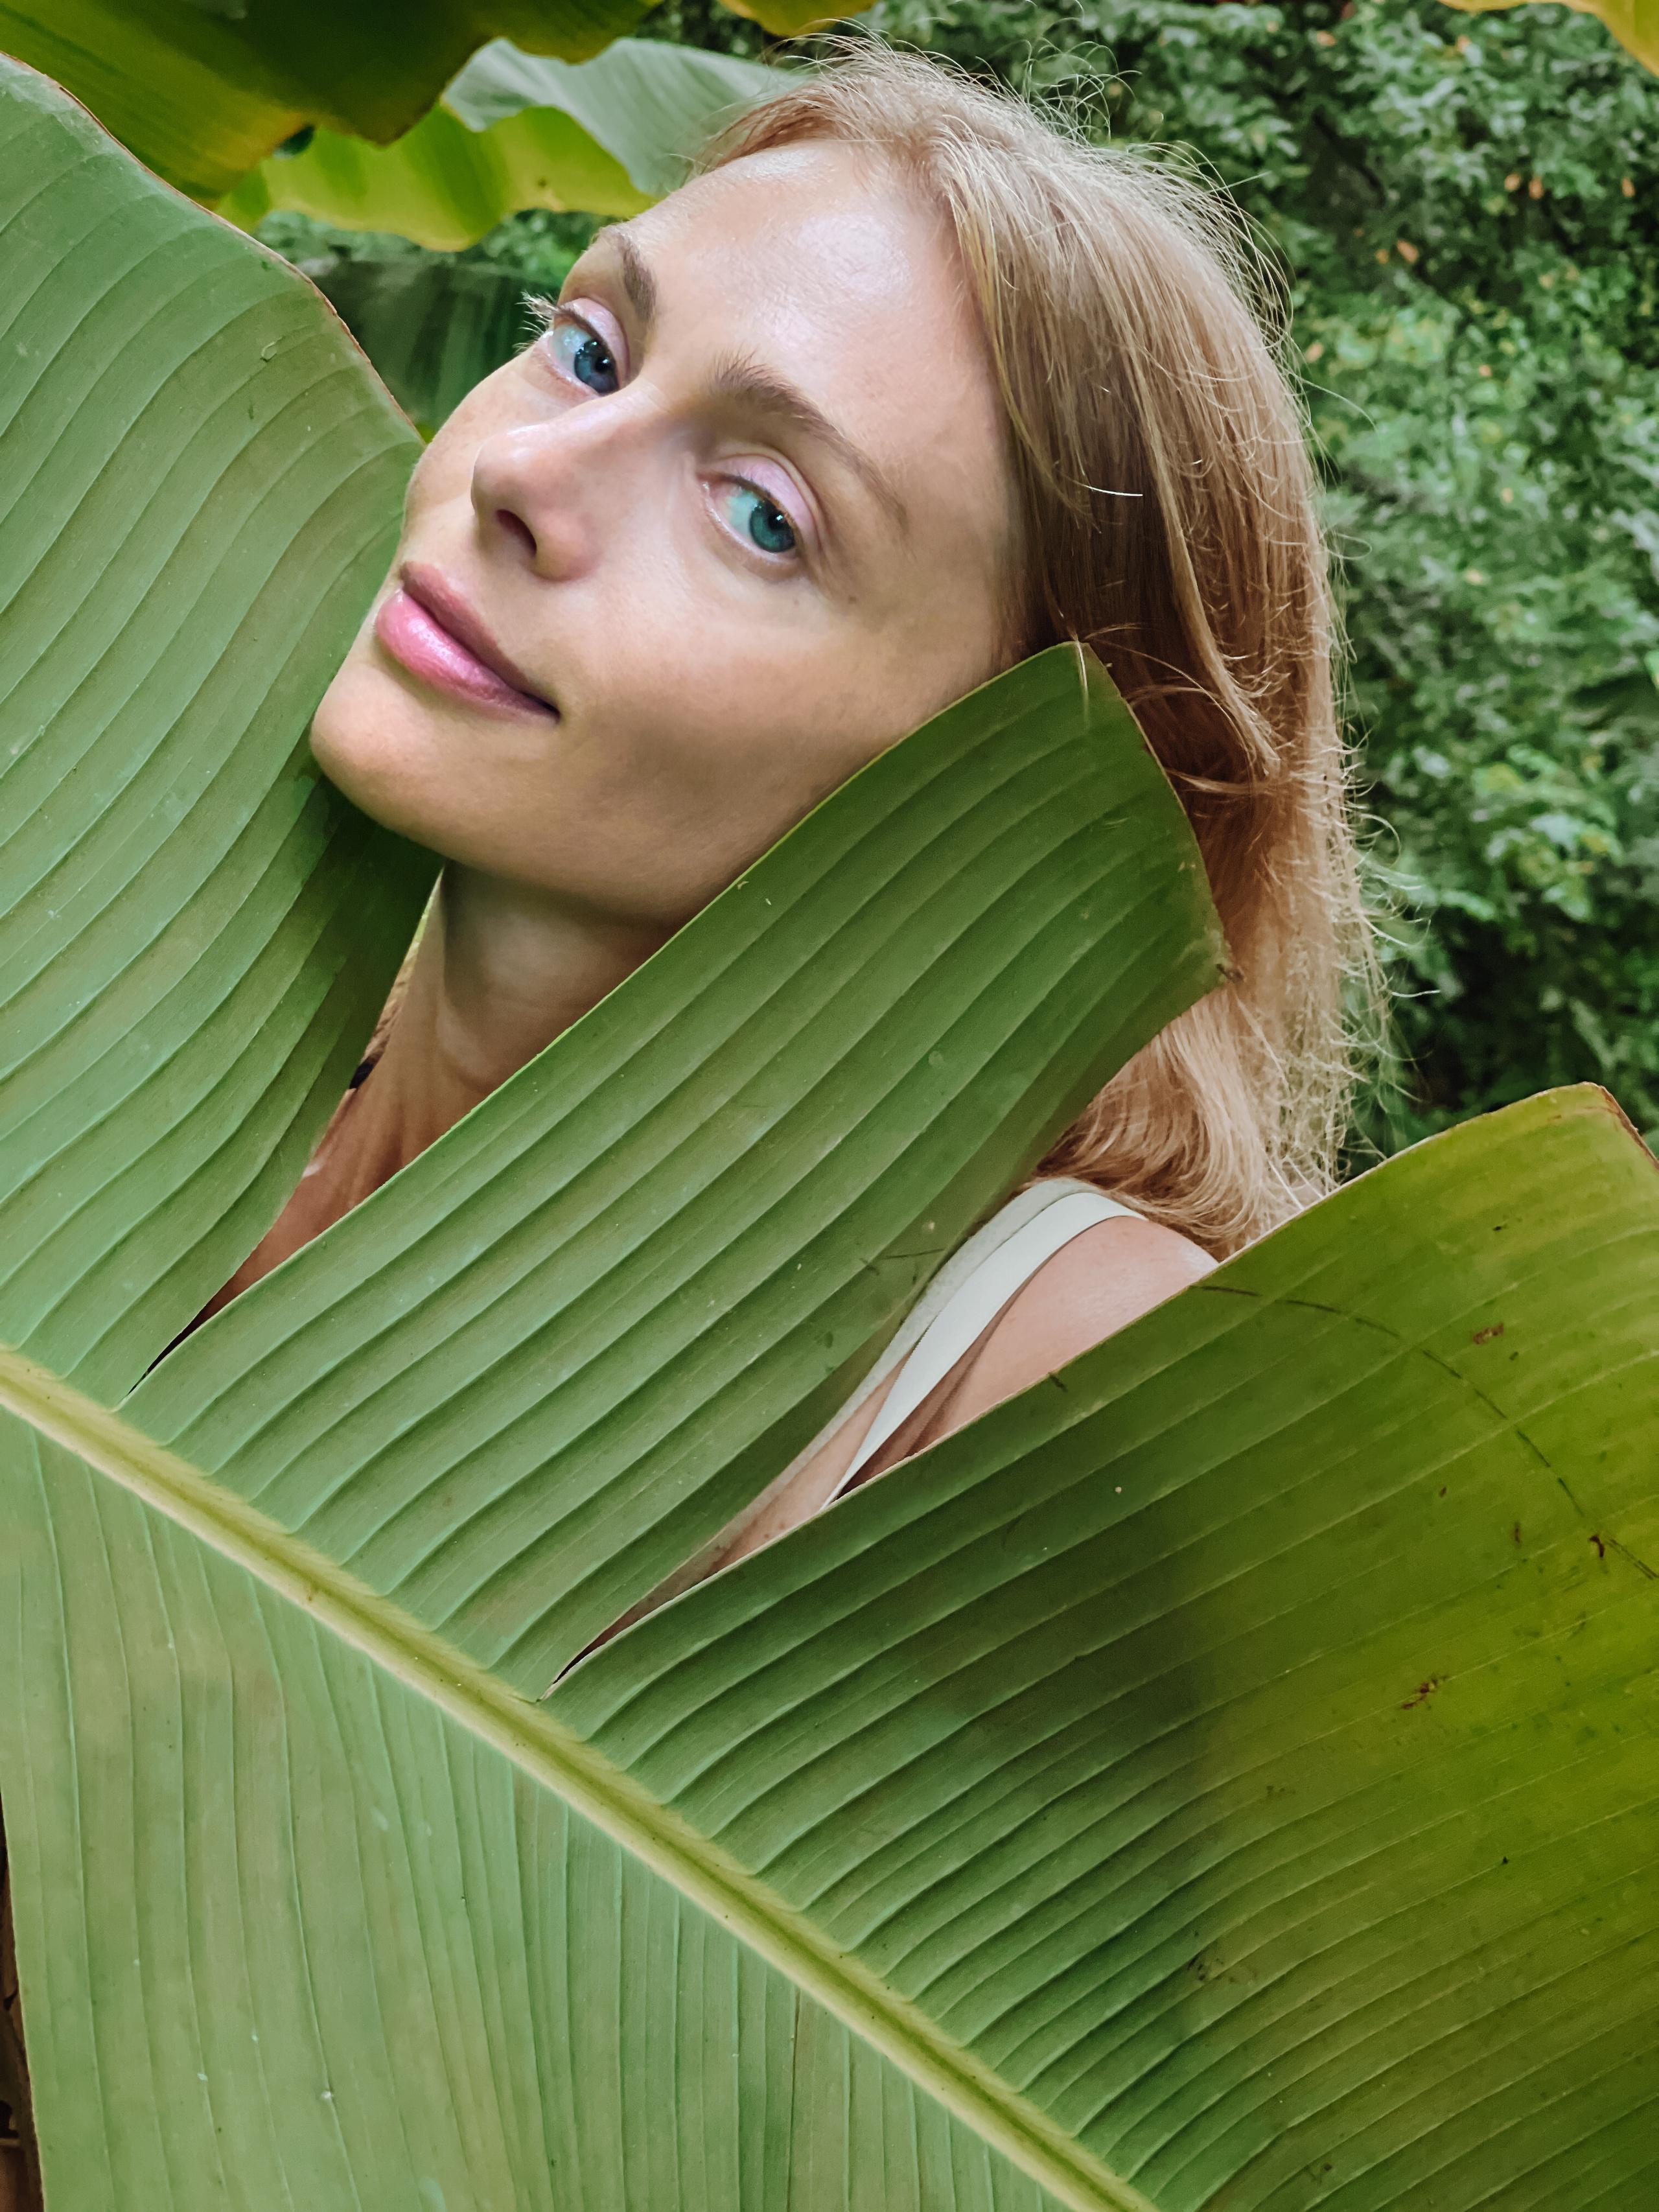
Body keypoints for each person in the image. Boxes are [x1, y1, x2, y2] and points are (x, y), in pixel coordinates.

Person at [207, 44, 1368, 1555]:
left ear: (1037, 791)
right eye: (588, 351)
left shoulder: (1071, 1378)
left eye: (760, 514)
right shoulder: (142, 988)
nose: (524, 472)